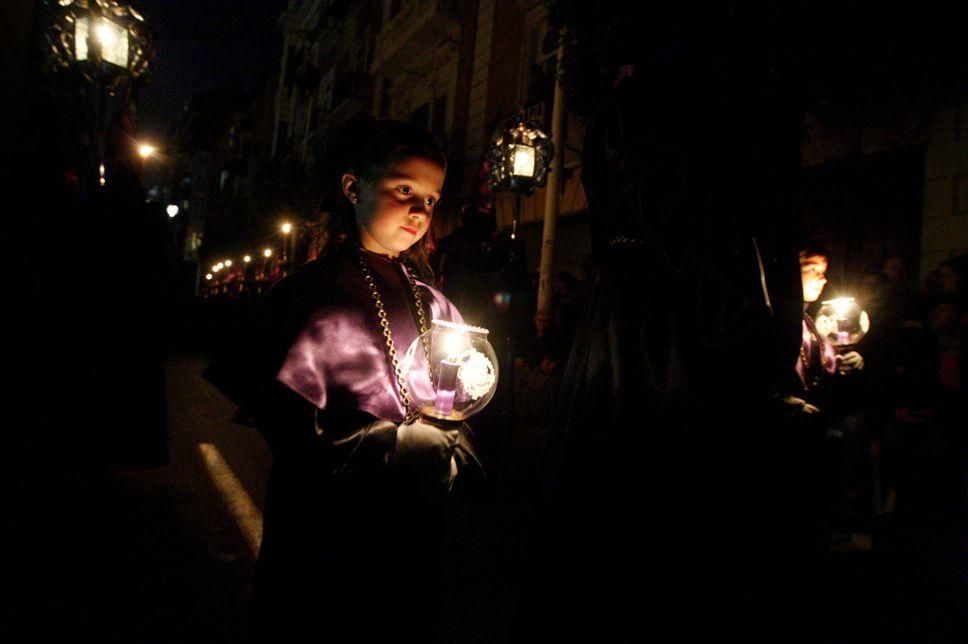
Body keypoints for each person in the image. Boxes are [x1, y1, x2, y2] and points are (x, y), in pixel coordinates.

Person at [204, 118, 481, 642]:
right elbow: (284, 418)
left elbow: (453, 389)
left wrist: (450, 434)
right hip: (328, 522)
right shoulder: (312, 293)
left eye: (432, 198)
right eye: (404, 190)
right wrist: (387, 442)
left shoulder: (432, 298)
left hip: (409, 520)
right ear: (353, 188)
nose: (421, 210)